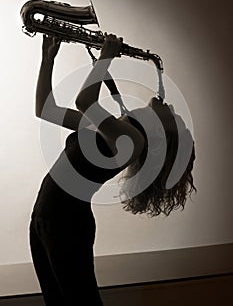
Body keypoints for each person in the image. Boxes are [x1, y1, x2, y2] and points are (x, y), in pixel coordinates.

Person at [29, 33, 196, 306]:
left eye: (175, 118)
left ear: (165, 137)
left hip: (66, 222)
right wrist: (48, 58)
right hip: (46, 217)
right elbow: (46, 109)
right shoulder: (121, 129)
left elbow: (85, 102)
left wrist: (106, 57)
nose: (173, 108)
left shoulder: (133, 141)